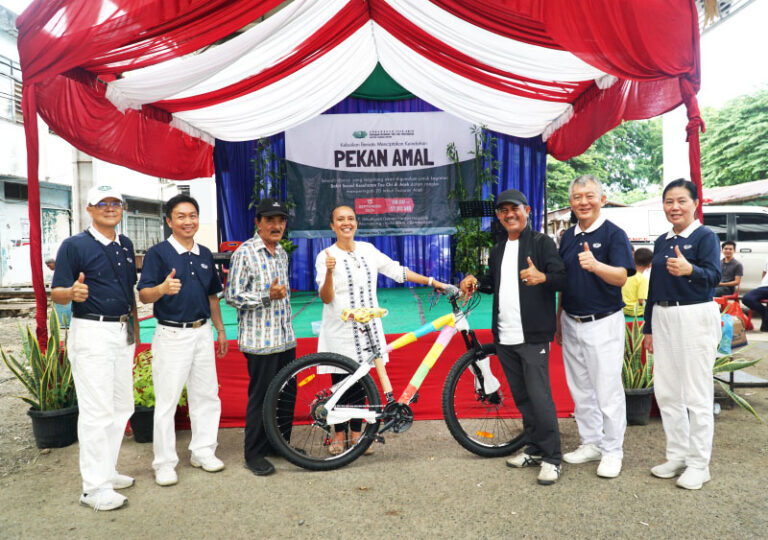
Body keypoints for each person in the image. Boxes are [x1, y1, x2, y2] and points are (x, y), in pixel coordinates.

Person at [316, 205, 446, 454]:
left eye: (350, 218)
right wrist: (330, 272)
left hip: (368, 328)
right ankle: (338, 433)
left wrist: (432, 281)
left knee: (361, 382)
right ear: (332, 226)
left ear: (356, 223)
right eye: (340, 219)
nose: (346, 223)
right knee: (341, 381)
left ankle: (357, 434)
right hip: (339, 330)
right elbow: (326, 297)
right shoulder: (325, 255)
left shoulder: (367, 250)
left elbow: (398, 271)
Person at [459, 189, 567, 485]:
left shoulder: (542, 243)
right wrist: (474, 281)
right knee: (522, 397)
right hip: (504, 336)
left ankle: (552, 457)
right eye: (503, 210)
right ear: (498, 216)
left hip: (532, 336)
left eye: (514, 209)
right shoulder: (498, 249)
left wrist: (543, 277)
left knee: (539, 397)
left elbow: (562, 278)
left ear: (527, 210)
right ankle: (533, 448)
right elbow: (492, 283)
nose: (509, 214)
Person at [51, 183, 139, 512]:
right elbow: (56, 292)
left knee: (121, 406)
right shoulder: (73, 246)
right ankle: (93, 488)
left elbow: (129, 291)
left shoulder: (125, 245)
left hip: (121, 331)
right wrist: (70, 293)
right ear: (89, 209)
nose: (110, 208)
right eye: (102, 203)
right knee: (96, 412)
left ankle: (107, 470)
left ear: (122, 209)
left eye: (116, 202)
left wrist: (133, 332)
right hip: (91, 332)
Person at [137, 194, 228, 486]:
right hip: (172, 334)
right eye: (181, 216)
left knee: (207, 395)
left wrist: (220, 330)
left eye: (192, 215)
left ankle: (203, 451)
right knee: (168, 401)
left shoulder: (204, 254)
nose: (188, 221)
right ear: (169, 221)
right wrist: (162, 289)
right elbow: (144, 295)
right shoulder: (158, 253)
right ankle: (164, 463)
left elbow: (212, 296)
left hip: (202, 332)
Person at [643, 179, 721, 490]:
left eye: (681, 201)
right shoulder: (662, 241)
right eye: (669, 201)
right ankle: (677, 455)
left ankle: (699, 464)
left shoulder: (705, 237)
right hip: (663, 316)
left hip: (694, 315)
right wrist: (649, 328)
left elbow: (714, 277)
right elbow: (653, 287)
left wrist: (691, 271)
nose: (674, 207)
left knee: (697, 394)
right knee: (667, 392)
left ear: (695, 204)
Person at [555, 174, 635, 479]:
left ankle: (613, 450)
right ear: (571, 202)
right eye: (577, 197)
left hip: (603, 322)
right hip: (571, 320)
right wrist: (559, 318)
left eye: (589, 196)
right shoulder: (567, 236)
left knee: (607, 390)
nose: (583, 202)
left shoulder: (614, 234)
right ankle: (591, 442)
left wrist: (596, 265)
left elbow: (621, 277)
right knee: (581, 389)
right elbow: (563, 281)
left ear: (601, 199)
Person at [225, 198, 295, 476]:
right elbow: (232, 296)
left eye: (281, 220)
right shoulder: (245, 253)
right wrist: (266, 296)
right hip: (260, 341)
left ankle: (280, 446)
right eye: (270, 220)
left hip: (285, 337)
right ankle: (253, 454)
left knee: (287, 393)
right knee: (262, 396)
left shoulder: (281, 253)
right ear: (258, 223)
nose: (276, 226)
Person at [622, 248, 653, 318]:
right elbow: (641, 301)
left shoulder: (625, 275)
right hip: (636, 312)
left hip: (623, 309)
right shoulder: (642, 279)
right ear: (649, 265)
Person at [742, 258, 768, 332]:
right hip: (763, 287)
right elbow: (764, 272)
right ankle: (764, 313)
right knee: (747, 298)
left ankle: (765, 324)